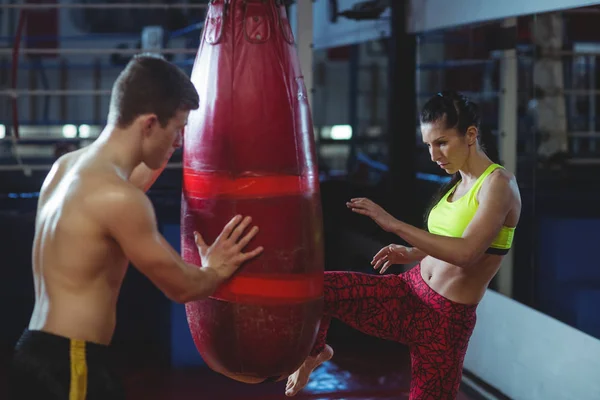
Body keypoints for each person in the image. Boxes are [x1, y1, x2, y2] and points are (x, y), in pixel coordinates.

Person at [8, 54, 264, 400]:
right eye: (177, 131)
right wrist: (216, 269)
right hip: (72, 365)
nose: (179, 142)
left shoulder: (68, 169)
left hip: (35, 351)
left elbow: (129, 184)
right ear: (149, 124)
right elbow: (182, 287)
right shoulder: (119, 199)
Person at [285, 91, 521, 399]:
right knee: (317, 291)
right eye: (428, 145)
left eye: (442, 142)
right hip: (408, 292)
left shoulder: (498, 185)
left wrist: (394, 225)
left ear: (471, 135)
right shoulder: (458, 183)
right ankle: (314, 353)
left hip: (444, 322)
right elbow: (450, 238)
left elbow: (467, 252)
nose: (434, 155)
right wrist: (413, 253)